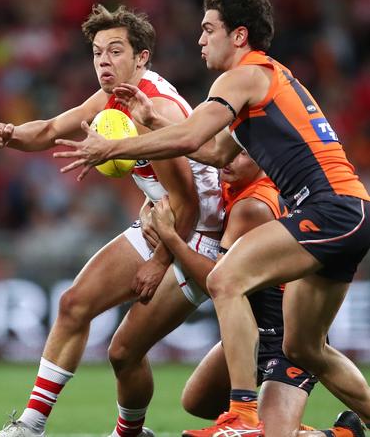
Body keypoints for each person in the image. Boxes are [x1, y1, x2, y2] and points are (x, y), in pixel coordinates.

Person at [54, 0, 370, 435]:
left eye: (208, 29)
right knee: (306, 347)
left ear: (238, 36)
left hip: (328, 208)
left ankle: (241, 417)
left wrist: (115, 146)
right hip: (348, 211)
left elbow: (188, 142)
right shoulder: (263, 81)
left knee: (225, 278)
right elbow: (218, 152)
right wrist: (157, 119)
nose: (200, 40)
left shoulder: (242, 76)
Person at [0, 4, 223, 437]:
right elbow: (53, 128)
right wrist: (10, 134)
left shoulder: (154, 109)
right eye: (96, 53)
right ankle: (30, 427)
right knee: (74, 304)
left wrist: (159, 261)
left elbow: (189, 202)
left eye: (114, 51)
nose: (104, 62)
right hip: (165, 219)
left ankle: (130, 433)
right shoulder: (115, 96)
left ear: (142, 57)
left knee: (124, 351)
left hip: (199, 235)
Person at [149, 151, 364, 437]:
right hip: (251, 325)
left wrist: (172, 239)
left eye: (240, 154)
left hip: (282, 335)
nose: (227, 159)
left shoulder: (254, 206)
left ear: (263, 158)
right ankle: (287, 428)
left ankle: (341, 434)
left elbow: (215, 282)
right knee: (198, 401)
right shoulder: (230, 186)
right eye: (225, 149)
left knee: (267, 435)